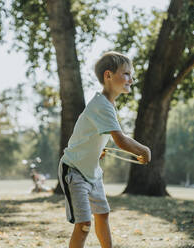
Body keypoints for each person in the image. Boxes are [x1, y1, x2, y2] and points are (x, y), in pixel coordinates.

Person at [58, 51, 151, 248]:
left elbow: (94, 134)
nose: (131, 79)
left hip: (92, 173)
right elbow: (121, 140)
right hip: (74, 171)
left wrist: (98, 150)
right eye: (126, 74)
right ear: (108, 76)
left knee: (103, 214)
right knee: (84, 224)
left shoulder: (107, 104)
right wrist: (144, 150)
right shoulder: (102, 105)